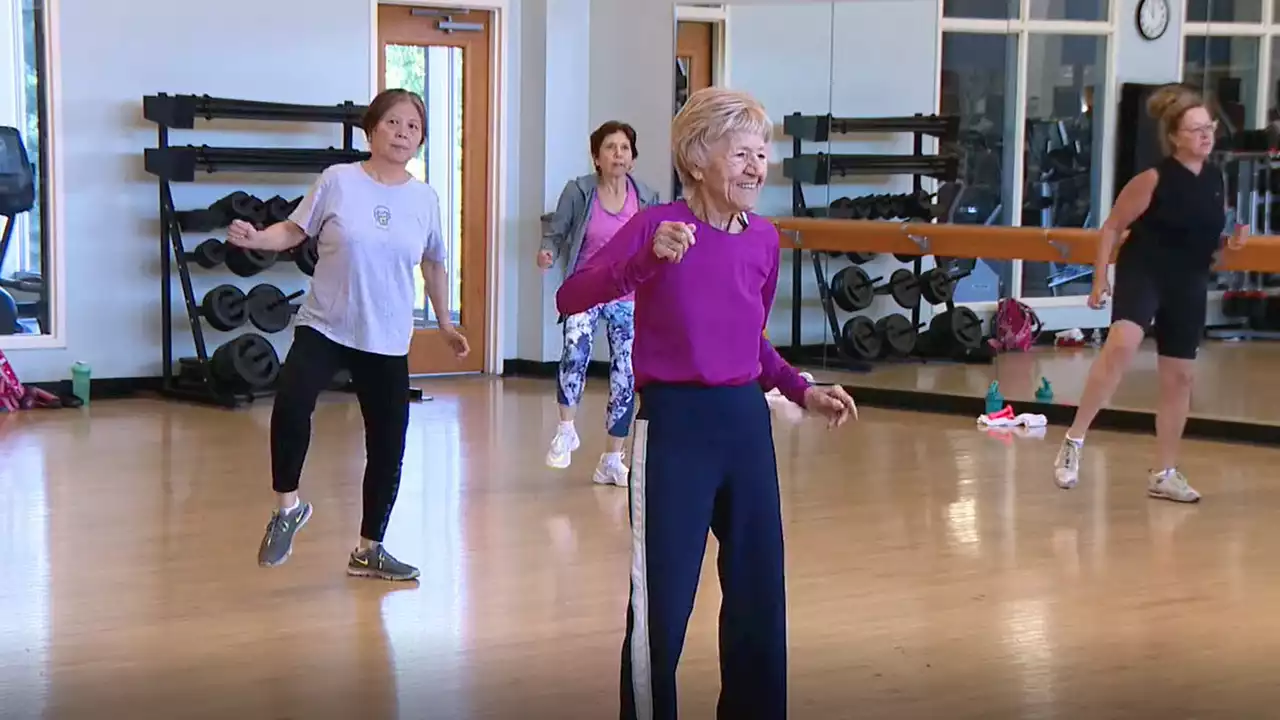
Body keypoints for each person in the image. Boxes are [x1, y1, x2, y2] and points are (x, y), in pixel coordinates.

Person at [556, 86, 857, 720]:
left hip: (745, 425)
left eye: (761, 153)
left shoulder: (764, 240)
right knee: (662, 604)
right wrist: (641, 261)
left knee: (756, 594)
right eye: (741, 153)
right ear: (697, 158)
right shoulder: (655, 225)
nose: (757, 167)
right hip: (675, 429)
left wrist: (802, 387)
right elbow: (571, 296)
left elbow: (750, 338)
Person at [227, 88, 470, 581]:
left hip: (385, 337)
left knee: (388, 444)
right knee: (292, 404)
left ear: (420, 140)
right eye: (393, 124)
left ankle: (369, 548)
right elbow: (294, 231)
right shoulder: (338, 180)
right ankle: (287, 508)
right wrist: (258, 239)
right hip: (326, 324)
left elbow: (434, 262)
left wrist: (444, 322)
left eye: (413, 128)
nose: (403, 134)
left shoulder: (425, 198)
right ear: (372, 128)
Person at [1052, 83, 1246, 502]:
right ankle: (1074, 440)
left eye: (1208, 127)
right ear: (1175, 137)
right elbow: (1112, 227)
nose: (1205, 134)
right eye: (1195, 129)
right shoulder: (1152, 179)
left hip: (1188, 281)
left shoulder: (1215, 180)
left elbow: (1209, 245)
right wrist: (1099, 279)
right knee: (1122, 344)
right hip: (1146, 271)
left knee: (1180, 378)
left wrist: (1230, 246)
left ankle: (1164, 472)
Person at [537, 121, 660, 486]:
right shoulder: (579, 191)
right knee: (575, 349)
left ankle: (612, 457)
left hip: (627, 294)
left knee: (626, 372)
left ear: (633, 159)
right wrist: (547, 251)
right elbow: (556, 229)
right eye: (610, 148)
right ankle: (566, 429)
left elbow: (656, 243)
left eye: (624, 148)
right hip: (587, 289)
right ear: (596, 157)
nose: (618, 154)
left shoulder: (647, 197)